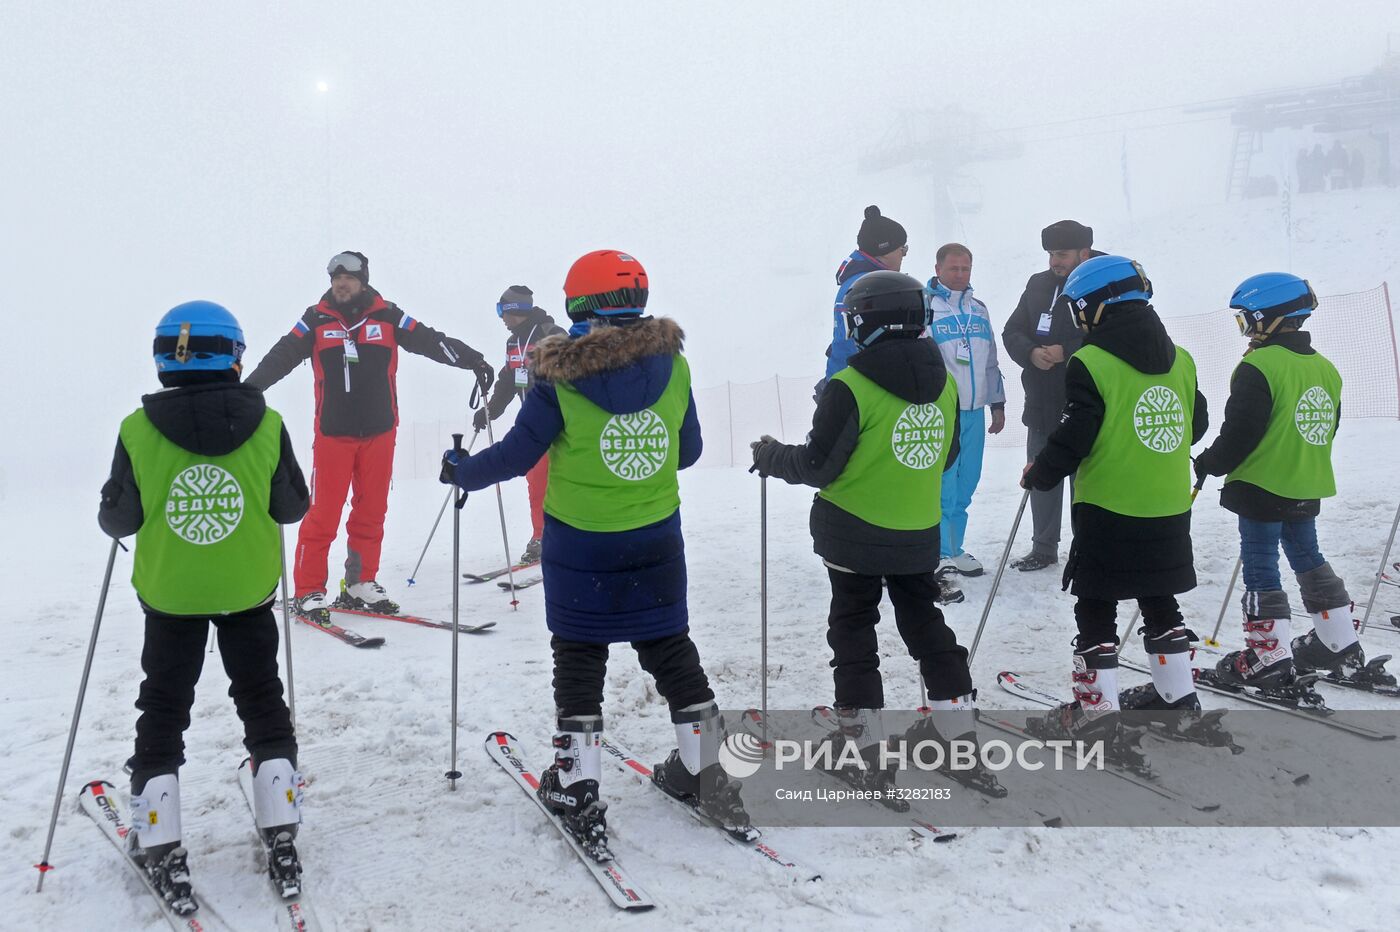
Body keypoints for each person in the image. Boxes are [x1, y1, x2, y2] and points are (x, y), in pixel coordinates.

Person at [442, 249, 751, 858]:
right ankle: (710, 773)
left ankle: (578, 787)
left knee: (580, 657)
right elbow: (686, 450)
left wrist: (462, 472)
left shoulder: (559, 376)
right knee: (669, 647)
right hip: (656, 533)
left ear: (580, 307)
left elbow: (516, 455)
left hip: (581, 540)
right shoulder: (675, 365)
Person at [752, 271, 1002, 798]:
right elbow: (947, 455)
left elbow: (819, 466)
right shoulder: (946, 383)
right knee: (926, 626)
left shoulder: (851, 385)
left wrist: (771, 455)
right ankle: (957, 740)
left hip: (853, 535)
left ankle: (865, 752)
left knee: (854, 632)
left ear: (865, 321)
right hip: (916, 534)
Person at [98, 301, 309, 909]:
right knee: (261, 696)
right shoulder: (267, 424)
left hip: (171, 593)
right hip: (246, 587)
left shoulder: (136, 430)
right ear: (235, 356)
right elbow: (291, 507)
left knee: (163, 703)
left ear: (163, 359)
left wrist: (108, 503)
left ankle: (159, 839)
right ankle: (281, 824)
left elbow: (122, 517)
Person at [1018, 257, 1211, 756]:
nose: (1078, 318)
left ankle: (1094, 714)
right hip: (1168, 506)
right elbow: (1197, 423)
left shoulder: (1091, 362)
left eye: (1080, 309)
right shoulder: (1182, 359)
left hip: (1110, 506)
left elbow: (1077, 435)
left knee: (1097, 605)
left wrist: (1041, 472)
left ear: (1097, 307)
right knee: (1159, 598)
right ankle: (1176, 699)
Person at [246, 251, 494, 619]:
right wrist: (248, 390)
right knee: (324, 514)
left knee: (371, 512)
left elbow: (429, 340)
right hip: (333, 435)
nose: (340, 284)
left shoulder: (388, 315)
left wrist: (473, 359)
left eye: (348, 278)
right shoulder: (315, 320)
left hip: (380, 432)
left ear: (362, 280)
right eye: (335, 279)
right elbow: (281, 356)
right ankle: (310, 590)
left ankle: (360, 583)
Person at [1194, 273, 1395, 692]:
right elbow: (1327, 425)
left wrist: (1211, 462)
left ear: (1267, 317)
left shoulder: (1258, 366)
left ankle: (1267, 655)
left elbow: (1241, 432)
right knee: (1309, 557)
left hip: (1262, 485)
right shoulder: (1325, 368)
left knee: (1261, 565)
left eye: (1246, 319)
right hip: (1306, 482)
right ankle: (1338, 641)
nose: (1245, 329)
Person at [1000, 220, 1100, 572]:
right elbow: (1012, 330)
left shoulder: (1102, 283)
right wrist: (1030, 353)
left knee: (1087, 482)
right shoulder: (1038, 284)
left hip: (1086, 405)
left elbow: (1113, 336)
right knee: (1041, 474)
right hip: (1041, 403)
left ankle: (1088, 548)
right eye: (1050, 254)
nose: (1054, 261)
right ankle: (1043, 547)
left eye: (1062, 254)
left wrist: (1067, 351)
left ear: (1083, 253)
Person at [926, 242, 1006, 580]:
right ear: (938, 269)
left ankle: (955, 548)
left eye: (966, 269)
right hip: (944, 412)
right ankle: (939, 552)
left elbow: (990, 361)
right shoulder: (927, 309)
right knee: (942, 483)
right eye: (953, 268)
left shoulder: (980, 310)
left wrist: (997, 404)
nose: (960, 275)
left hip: (975, 412)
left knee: (967, 482)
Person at [473, 285, 568, 565]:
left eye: (503, 310)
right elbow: (508, 380)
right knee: (536, 484)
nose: (501, 317)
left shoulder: (551, 335)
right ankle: (541, 537)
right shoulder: (513, 343)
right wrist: (491, 410)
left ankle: (571, 534)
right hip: (533, 427)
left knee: (565, 481)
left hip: (563, 425)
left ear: (516, 310)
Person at [824, 205, 909, 382]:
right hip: (864, 385)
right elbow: (852, 343)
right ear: (884, 250)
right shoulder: (869, 286)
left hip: (848, 380)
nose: (904, 254)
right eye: (903, 248)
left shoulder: (858, 281)